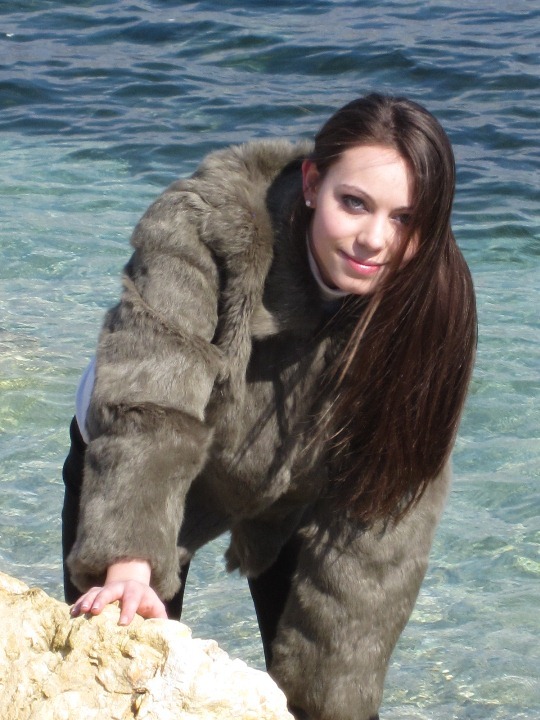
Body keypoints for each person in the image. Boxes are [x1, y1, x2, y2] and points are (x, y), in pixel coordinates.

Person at [62, 93, 477, 720]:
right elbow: (152, 400)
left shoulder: (434, 303)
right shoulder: (206, 224)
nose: (374, 240)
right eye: (354, 202)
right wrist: (127, 559)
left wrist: (335, 698)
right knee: (122, 669)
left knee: (327, 699)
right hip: (141, 455)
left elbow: (387, 513)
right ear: (312, 184)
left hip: (299, 475)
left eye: (405, 218)